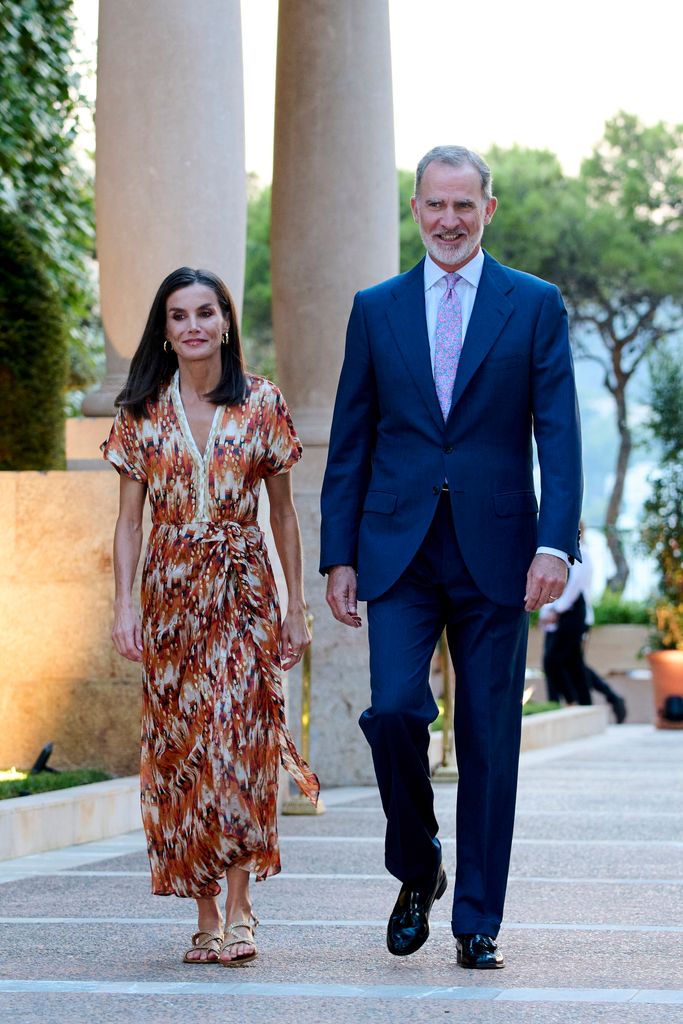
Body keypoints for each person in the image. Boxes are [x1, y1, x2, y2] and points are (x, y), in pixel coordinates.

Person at [320, 146, 582, 970]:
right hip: (394, 547)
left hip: (499, 552)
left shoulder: (533, 305)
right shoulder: (375, 307)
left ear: (488, 210)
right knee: (394, 711)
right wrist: (338, 554)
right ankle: (418, 863)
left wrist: (555, 544)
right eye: (435, 205)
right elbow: (351, 439)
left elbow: (560, 435)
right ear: (415, 208)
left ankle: (477, 920)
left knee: (487, 737)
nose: (448, 220)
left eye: (464, 206)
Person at [102, 267, 319, 967]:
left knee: (239, 745)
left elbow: (282, 513)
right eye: (177, 316)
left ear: (225, 320)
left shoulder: (263, 404)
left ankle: (241, 910)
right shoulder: (140, 411)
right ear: (163, 332)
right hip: (170, 600)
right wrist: (124, 605)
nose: (192, 326)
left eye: (204, 312)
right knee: (183, 755)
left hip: (243, 590)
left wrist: (296, 608)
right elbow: (128, 524)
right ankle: (203, 917)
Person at [540, 527, 627, 722]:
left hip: (571, 617)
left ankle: (574, 702)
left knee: (557, 662)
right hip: (559, 618)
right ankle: (589, 703)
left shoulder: (582, 555)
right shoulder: (557, 553)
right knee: (572, 664)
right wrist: (547, 612)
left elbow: (573, 586)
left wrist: (555, 610)